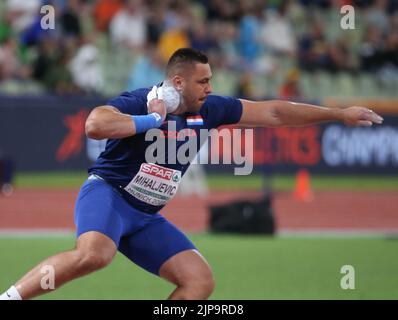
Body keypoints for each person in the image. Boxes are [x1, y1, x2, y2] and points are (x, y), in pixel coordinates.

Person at [0, 48, 383, 300]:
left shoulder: (211, 109)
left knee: (199, 281)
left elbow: (274, 113)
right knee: (94, 255)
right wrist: (151, 118)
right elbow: (94, 125)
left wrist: (338, 113)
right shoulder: (141, 98)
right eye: (203, 81)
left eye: (211, 80)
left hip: (147, 216)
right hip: (109, 196)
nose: (210, 88)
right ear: (178, 82)